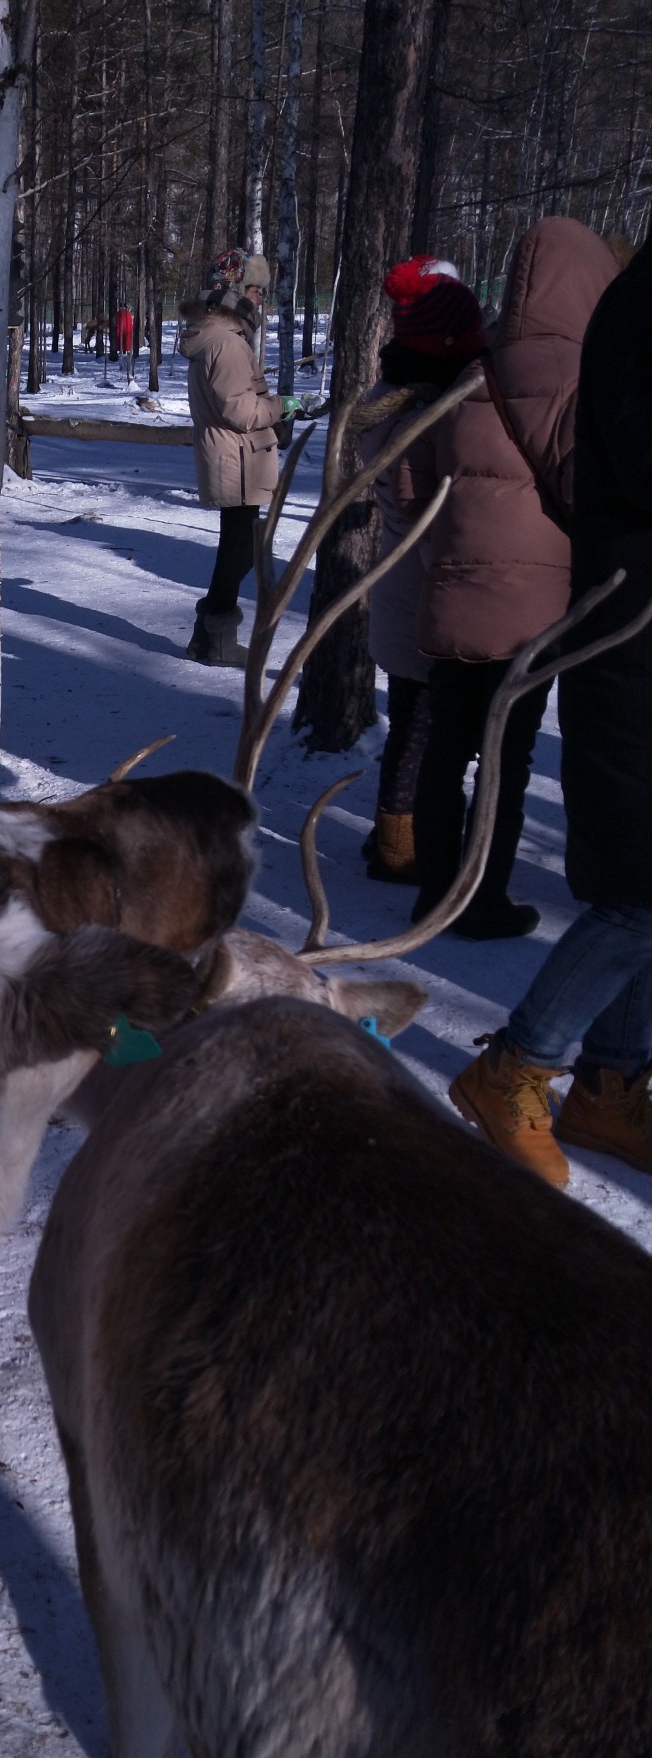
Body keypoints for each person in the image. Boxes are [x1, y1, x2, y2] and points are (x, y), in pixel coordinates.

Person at [449, 236, 652, 1186]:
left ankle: (610, 1086)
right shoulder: (642, 309)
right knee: (641, 894)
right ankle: (518, 1065)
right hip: (633, 636)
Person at [394, 217, 620, 938]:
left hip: (449, 597)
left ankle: (432, 894)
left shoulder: (471, 371)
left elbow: (406, 490)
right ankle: (480, 900)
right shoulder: (576, 379)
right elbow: (592, 489)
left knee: (446, 750)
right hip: (531, 609)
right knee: (507, 757)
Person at [356, 258, 488, 883]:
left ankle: (390, 833)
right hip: (424, 596)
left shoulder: (392, 403)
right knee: (419, 730)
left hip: (403, 591)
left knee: (412, 721)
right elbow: (421, 503)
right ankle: (398, 848)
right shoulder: (420, 421)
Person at [179, 249, 302, 666]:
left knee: (239, 546)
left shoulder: (218, 337)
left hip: (236, 455)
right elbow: (241, 410)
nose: (260, 299)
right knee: (241, 549)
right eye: (255, 290)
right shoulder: (228, 345)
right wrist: (286, 405)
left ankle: (208, 638)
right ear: (236, 292)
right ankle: (215, 639)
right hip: (238, 458)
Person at [113, 302, 135, 384]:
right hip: (128, 334)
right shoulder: (128, 314)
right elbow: (130, 324)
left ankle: (121, 364)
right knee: (127, 347)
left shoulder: (118, 314)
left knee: (121, 348)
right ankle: (127, 364)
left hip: (120, 333)